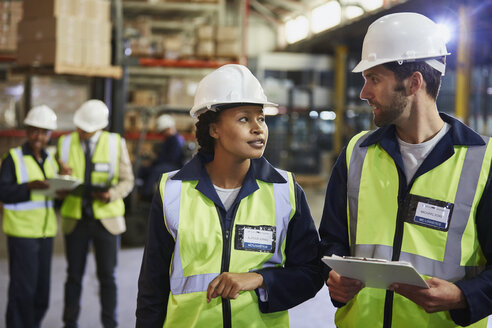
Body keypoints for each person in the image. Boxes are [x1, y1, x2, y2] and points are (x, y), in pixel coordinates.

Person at [319, 12, 492, 327]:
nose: (363, 93)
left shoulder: (483, 162)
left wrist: (463, 296)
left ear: (414, 83)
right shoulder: (356, 154)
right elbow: (332, 239)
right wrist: (336, 279)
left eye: (374, 79)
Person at [136, 64, 322, 327]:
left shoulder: (285, 191)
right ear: (214, 129)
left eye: (261, 118)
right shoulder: (173, 190)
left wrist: (260, 279)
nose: (258, 128)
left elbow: (312, 273)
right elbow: (152, 287)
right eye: (244, 119)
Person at [57, 99, 134, 328]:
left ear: (99, 127)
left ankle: (110, 324)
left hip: (106, 220)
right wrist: (61, 176)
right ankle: (69, 323)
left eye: (87, 129)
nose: (81, 131)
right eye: (80, 126)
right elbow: (54, 177)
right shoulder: (64, 143)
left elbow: (127, 180)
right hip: (76, 217)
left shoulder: (114, 143)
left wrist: (110, 194)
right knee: (73, 276)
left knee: (107, 277)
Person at [0, 105, 59, 328]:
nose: (39, 137)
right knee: (22, 292)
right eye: (35, 131)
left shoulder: (50, 160)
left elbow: (50, 195)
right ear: (27, 131)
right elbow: (4, 192)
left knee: (41, 293)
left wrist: (62, 189)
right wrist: (29, 187)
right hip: (22, 234)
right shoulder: (13, 158)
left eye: (44, 132)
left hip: (45, 233)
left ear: (49, 136)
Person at [139, 114, 185, 198]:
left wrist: (156, 161)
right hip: (166, 163)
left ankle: (146, 194)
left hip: (174, 165)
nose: (163, 133)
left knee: (157, 170)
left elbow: (171, 158)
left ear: (168, 128)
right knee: (143, 169)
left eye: (164, 131)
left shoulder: (176, 140)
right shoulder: (169, 139)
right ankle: (140, 189)